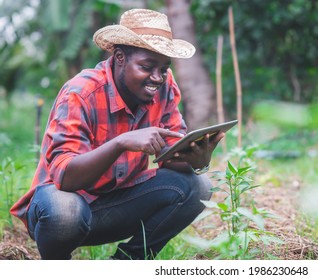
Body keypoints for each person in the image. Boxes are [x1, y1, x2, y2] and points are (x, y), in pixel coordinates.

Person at [9, 8, 225, 260]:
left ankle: (125, 264)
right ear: (120, 57)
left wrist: (196, 161)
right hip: (60, 212)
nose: (157, 77)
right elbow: (65, 180)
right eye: (147, 67)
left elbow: (169, 155)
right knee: (65, 210)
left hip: (114, 207)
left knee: (198, 186)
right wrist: (121, 143)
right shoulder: (81, 92)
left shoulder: (162, 87)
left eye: (164, 68)